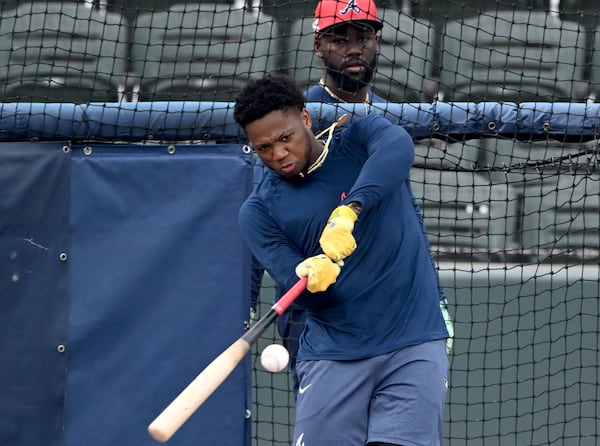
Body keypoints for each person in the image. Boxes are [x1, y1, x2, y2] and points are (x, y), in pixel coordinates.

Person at [235, 72, 449, 445]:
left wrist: (349, 210)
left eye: (285, 138)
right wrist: (307, 274)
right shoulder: (258, 212)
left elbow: (398, 148)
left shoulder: (359, 138)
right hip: (333, 352)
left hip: (412, 337)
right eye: (264, 148)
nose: (278, 154)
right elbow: (302, 290)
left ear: (305, 119)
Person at [277, 0, 454, 392]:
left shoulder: (392, 118)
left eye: (364, 37)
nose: (354, 48)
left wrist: (435, 297)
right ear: (318, 46)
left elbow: (404, 212)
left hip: (393, 300)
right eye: (340, 38)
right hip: (323, 302)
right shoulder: (294, 121)